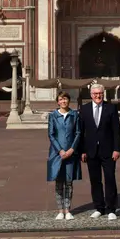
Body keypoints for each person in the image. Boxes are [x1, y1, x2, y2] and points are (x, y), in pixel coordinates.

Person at [79, 84, 120, 220]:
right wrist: (82, 151)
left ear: (103, 94)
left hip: (108, 151)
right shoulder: (84, 109)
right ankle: (99, 207)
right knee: (95, 180)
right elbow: (81, 132)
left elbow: (116, 130)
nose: (98, 96)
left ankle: (111, 209)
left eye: (100, 93)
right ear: (91, 95)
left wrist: (117, 149)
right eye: (96, 93)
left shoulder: (111, 108)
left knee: (110, 178)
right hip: (91, 151)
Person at [47, 92, 82, 220]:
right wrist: (60, 150)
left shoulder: (74, 115)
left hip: (71, 153)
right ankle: (60, 210)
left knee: (69, 182)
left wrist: (72, 149)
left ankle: (68, 210)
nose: (63, 101)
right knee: (58, 181)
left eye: (65, 99)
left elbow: (78, 133)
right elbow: (51, 134)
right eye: (61, 99)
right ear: (58, 102)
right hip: (57, 154)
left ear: (69, 101)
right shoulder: (53, 116)